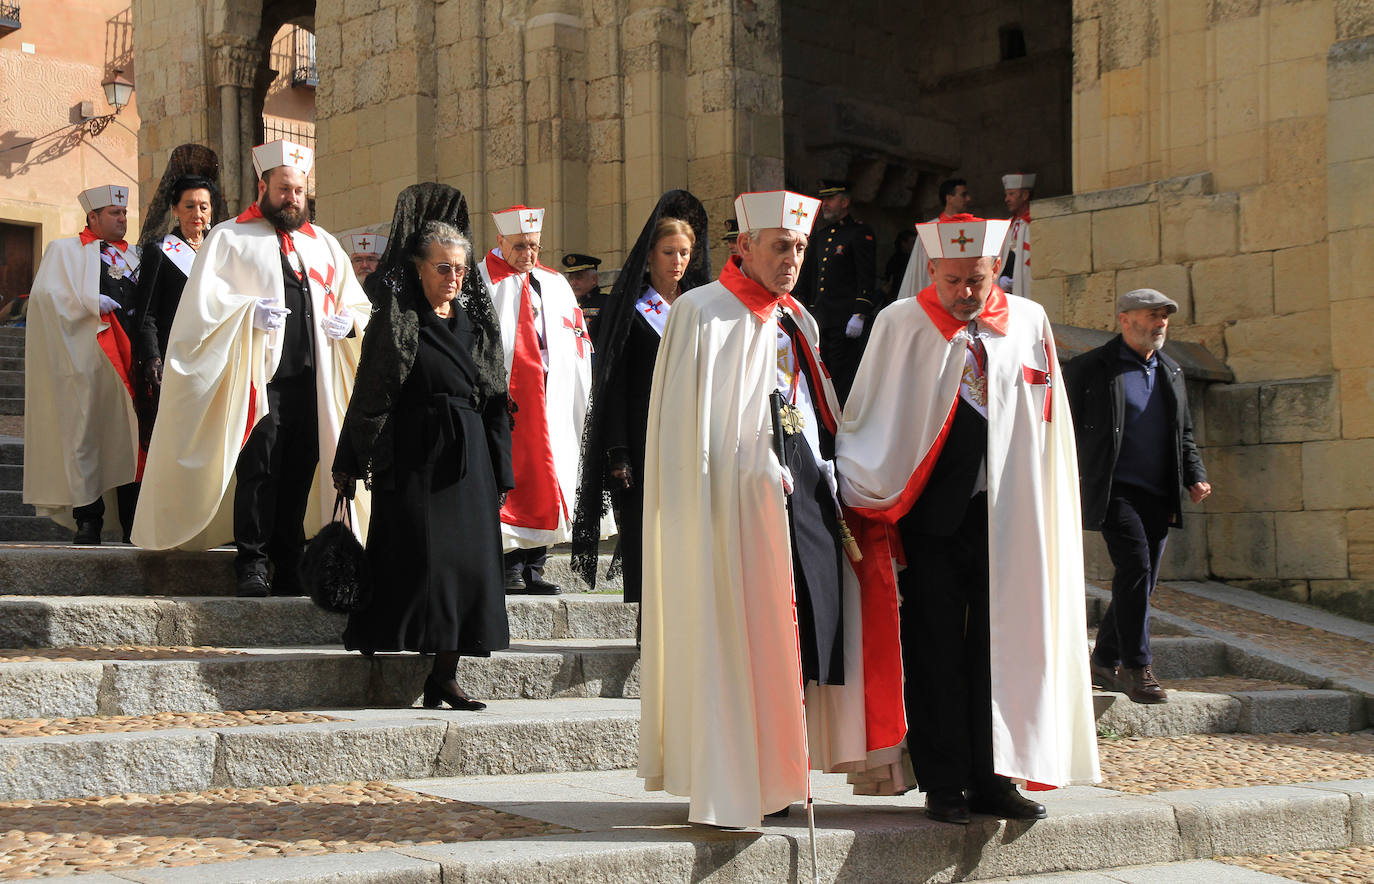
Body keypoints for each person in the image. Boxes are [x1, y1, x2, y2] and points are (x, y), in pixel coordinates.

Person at [638, 189, 905, 829]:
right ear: (744, 247)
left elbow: (812, 407)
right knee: (742, 640)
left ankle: (785, 771)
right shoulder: (703, 314)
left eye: (801, 247)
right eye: (781, 246)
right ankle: (739, 776)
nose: (792, 258)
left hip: (802, 500)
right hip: (731, 511)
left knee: (801, 643)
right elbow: (686, 432)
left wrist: (831, 466)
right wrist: (742, 473)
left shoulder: (798, 320)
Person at [836, 213, 1099, 825]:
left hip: (1006, 517)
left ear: (996, 270)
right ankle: (945, 781)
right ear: (931, 271)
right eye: (953, 280)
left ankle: (995, 776)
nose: (965, 293)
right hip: (928, 519)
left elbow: (1046, 418)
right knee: (934, 650)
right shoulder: (901, 323)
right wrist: (866, 483)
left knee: (1003, 647)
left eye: (976, 280)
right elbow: (870, 414)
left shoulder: (1028, 322)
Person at [131, 140, 371, 598]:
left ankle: (287, 556)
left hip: (311, 379)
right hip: (259, 377)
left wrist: (351, 323)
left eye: (299, 191)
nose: (293, 199)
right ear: (264, 186)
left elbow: (356, 302)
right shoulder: (228, 237)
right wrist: (246, 314)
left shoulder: (323, 244)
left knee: (302, 467)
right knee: (259, 468)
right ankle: (253, 561)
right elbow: (201, 307)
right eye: (284, 189)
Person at [333, 184, 512, 711]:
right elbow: (373, 393)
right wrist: (349, 461)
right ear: (417, 268)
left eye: (460, 268)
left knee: (466, 565)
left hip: (467, 458)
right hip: (412, 455)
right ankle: (384, 635)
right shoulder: (398, 320)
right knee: (411, 555)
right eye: (442, 268)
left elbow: (497, 398)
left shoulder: (478, 324)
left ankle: (447, 672)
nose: (454, 278)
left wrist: (501, 470)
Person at [1064, 288, 1211, 705]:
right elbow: (1063, 426)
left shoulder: (1171, 371)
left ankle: (1104, 656)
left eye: (1165, 316)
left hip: (1158, 491)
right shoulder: (1091, 368)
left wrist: (1194, 476)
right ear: (1124, 319)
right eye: (1152, 315)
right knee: (1135, 565)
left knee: (1142, 580)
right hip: (1113, 489)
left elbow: (1182, 432)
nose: (1160, 323)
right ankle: (1136, 666)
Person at [570, 190, 711, 604]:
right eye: (669, 252)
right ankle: (649, 628)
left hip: (693, 435)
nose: (678, 261)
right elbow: (611, 385)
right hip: (642, 436)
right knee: (646, 533)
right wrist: (617, 450)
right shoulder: (628, 307)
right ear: (651, 254)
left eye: (685, 252)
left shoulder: (699, 306)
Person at [477, 206, 592, 595]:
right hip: (505, 397)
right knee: (513, 476)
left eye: (535, 246)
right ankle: (509, 563)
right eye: (521, 246)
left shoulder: (554, 282)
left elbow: (574, 334)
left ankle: (535, 566)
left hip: (551, 393)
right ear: (501, 242)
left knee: (553, 471)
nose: (529, 254)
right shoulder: (481, 282)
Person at [23, 183, 142, 544]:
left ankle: (134, 523)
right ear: (93, 217)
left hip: (133, 357)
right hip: (90, 358)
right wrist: (89, 300)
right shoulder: (64, 251)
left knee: (134, 439)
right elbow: (45, 296)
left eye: (124, 213)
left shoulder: (137, 255)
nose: (122, 219)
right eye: (114, 214)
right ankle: (88, 520)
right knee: (87, 436)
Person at [133, 144, 228, 441]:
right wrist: (152, 358)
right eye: (189, 206)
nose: (197, 214)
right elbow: (146, 313)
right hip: (174, 360)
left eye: (203, 206)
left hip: (214, 357)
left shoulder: (222, 252)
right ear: (175, 209)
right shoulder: (159, 252)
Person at [798, 179, 876, 403]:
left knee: (843, 378)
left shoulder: (859, 233)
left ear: (845, 201)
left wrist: (860, 313)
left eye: (830, 199)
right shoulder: (821, 236)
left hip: (845, 320)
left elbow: (866, 275)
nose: (825, 204)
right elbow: (810, 277)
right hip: (821, 319)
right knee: (823, 374)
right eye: (823, 199)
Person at [901, 177, 972, 298]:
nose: (968, 199)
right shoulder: (930, 230)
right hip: (935, 297)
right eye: (963, 195)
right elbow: (918, 269)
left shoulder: (972, 228)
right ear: (949, 198)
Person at [999, 172, 1034, 299]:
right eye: (1006, 194)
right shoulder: (1008, 225)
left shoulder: (1034, 223)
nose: (1006, 199)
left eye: (1011, 194)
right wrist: (1002, 278)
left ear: (1025, 195)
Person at [561, 252, 607, 340]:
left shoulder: (606, 303)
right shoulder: (566, 305)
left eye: (579, 277)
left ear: (594, 279)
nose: (573, 283)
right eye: (571, 278)